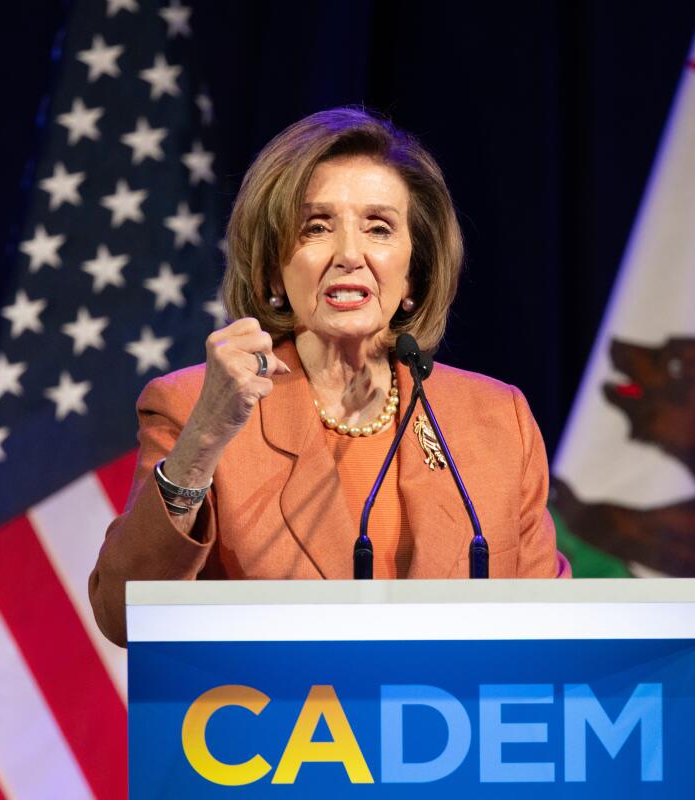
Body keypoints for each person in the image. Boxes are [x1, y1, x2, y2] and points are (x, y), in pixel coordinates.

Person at [90, 108, 568, 646]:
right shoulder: (194, 406)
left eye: (379, 228)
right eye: (316, 227)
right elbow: (124, 615)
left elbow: (549, 632)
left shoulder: (495, 419)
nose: (348, 254)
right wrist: (203, 440)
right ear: (273, 268)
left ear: (414, 272)